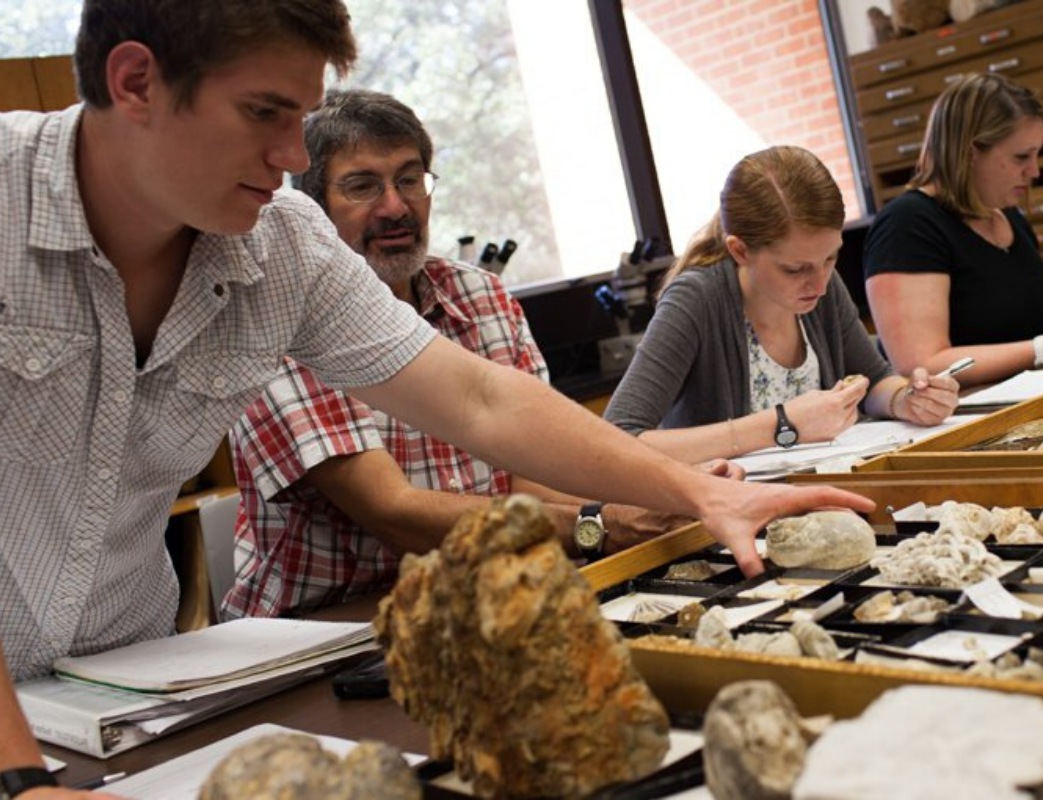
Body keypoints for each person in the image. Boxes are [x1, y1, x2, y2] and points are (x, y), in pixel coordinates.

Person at [0, 2, 873, 792]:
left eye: (301, 120)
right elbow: (394, 502)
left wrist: (703, 492)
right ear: (137, 81)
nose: (292, 157)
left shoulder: (280, 245)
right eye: (265, 113)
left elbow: (478, 402)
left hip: (130, 696)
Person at [224, 89, 697, 620]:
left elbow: (527, 473)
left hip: (477, 596)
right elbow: (394, 512)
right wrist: (601, 524)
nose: (396, 206)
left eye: (409, 179)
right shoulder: (280, 320)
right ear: (310, 209)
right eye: (363, 186)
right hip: (326, 632)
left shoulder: (480, 295)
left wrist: (661, 497)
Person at [604, 146, 959, 465]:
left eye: (831, 258)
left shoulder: (819, 283)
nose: (819, 283)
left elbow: (876, 380)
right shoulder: (697, 299)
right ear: (740, 251)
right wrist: (782, 423)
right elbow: (617, 442)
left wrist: (906, 400)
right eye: (795, 268)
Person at [863, 72, 1043, 388]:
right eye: (1021, 157)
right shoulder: (907, 224)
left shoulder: (1006, 215)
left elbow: (1010, 297)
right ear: (971, 151)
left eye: (1036, 154)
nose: (1034, 171)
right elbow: (920, 365)